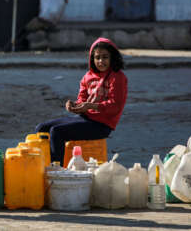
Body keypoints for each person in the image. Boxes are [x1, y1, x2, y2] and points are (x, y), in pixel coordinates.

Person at [35, 37, 128, 165]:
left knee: (57, 132)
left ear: (113, 58)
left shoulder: (118, 77)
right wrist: (73, 106)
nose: (101, 61)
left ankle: (56, 170)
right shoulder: (88, 76)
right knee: (41, 128)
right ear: (92, 59)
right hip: (85, 119)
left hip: (102, 125)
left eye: (105, 57)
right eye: (97, 57)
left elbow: (115, 106)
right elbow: (82, 99)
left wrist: (91, 106)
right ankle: (43, 165)